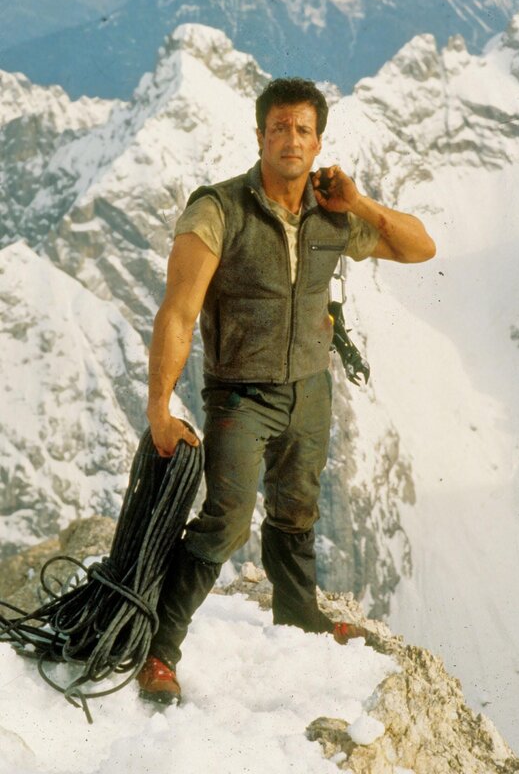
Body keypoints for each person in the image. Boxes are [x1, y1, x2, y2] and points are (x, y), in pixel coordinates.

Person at [137, 78, 436, 704]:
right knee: (226, 522)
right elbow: (178, 312)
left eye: (303, 129)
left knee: (297, 510)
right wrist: (159, 407)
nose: (291, 140)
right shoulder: (218, 210)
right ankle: (159, 650)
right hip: (239, 395)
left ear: (318, 141)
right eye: (279, 128)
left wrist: (358, 203)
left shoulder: (333, 215)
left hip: (310, 388)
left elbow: (420, 248)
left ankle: (299, 617)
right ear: (260, 136)